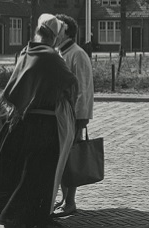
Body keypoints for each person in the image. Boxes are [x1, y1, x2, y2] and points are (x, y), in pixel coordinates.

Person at [0, 14, 77, 228]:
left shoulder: (26, 52)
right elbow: (71, 83)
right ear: (54, 36)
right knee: (41, 174)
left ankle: (20, 215)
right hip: (46, 126)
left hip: (23, 122)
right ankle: (31, 217)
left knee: (22, 171)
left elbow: (14, 89)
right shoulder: (50, 57)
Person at [53, 14, 95, 218]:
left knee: (71, 159)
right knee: (61, 158)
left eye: (57, 28)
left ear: (66, 30)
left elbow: (84, 89)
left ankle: (70, 201)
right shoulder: (59, 53)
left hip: (72, 117)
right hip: (60, 116)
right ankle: (63, 198)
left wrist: (81, 120)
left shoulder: (77, 55)